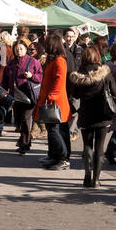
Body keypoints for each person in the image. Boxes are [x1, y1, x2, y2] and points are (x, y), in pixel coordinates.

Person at [67, 44, 116, 187]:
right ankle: (96, 179)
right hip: (102, 114)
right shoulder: (104, 73)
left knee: (87, 145)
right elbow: (115, 92)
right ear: (97, 57)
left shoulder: (79, 74)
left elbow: (75, 94)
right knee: (100, 147)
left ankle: (87, 176)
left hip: (86, 114)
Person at [35, 31, 72, 170]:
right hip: (52, 100)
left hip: (56, 102)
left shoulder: (59, 61)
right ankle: (56, 156)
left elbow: (59, 81)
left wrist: (51, 96)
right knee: (54, 130)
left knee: (54, 131)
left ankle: (62, 158)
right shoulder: (54, 60)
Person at [3, 39, 43, 154]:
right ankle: (24, 140)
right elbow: (5, 79)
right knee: (19, 120)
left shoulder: (33, 62)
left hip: (28, 96)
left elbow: (40, 77)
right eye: (17, 49)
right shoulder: (11, 63)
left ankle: (25, 144)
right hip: (15, 96)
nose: (19, 51)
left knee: (25, 119)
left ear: (26, 49)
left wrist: (31, 76)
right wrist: (3, 92)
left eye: (21, 48)